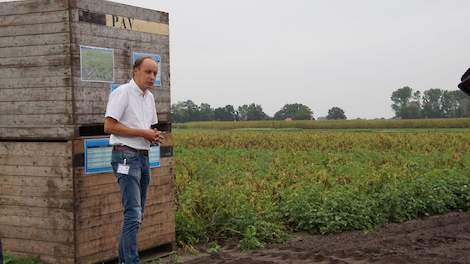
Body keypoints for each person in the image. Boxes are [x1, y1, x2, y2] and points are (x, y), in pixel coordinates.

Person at [104, 56, 162, 264]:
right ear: (135, 71)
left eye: (155, 73)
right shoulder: (122, 92)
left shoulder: (150, 98)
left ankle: (125, 260)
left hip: (143, 157)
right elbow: (109, 126)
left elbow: (149, 128)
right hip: (125, 157)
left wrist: (153, 136)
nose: (152, 77)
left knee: (136, 215)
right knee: (133, 214)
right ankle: (131, 261)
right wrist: (142, 133)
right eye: (148, 72)